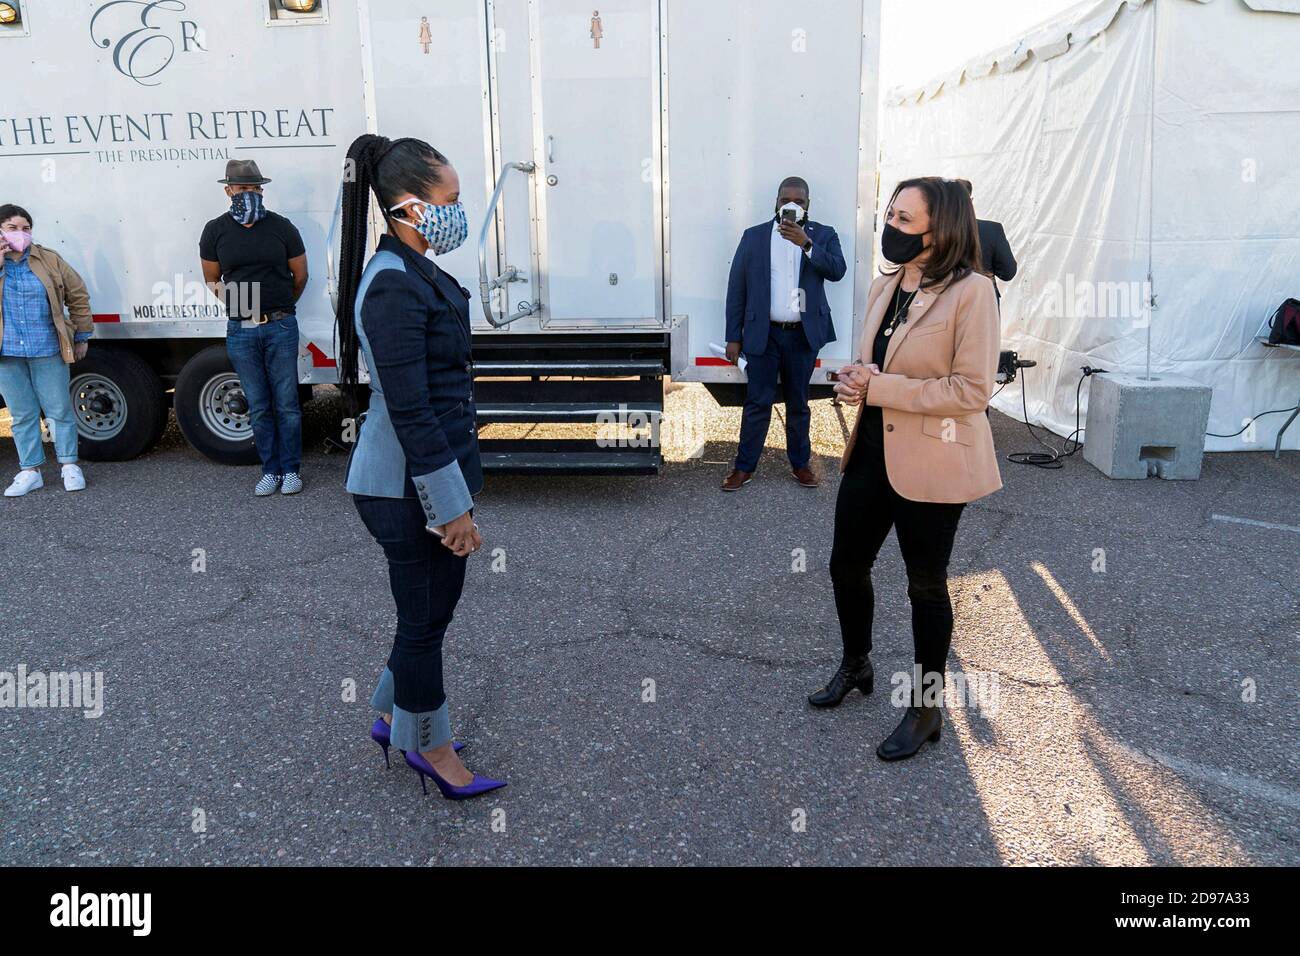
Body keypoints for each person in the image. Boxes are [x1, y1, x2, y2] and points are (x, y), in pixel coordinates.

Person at [335, 133, 504, 801]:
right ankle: (430, 748)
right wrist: (450, 509)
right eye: (450, 201)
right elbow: (411, 411)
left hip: (425, 480)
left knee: (425, 617)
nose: (457, 212)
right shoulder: (390, 287)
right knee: (426, 621)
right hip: (404, 489)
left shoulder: (416, 269)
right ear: (407, 206)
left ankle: (390, 717)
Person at [813, 177, 1002, 761]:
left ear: (938, 229)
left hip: (935, 460)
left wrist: (882, 385)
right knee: (846, 566)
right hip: (871, 449)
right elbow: (876, 364)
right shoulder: (884, 284)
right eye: (890, 215)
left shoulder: (973, 293)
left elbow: (972, 390)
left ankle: (925, 711)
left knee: (925, 586)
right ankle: (857, 662)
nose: (890, 228)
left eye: (903, 219)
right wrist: (855, 379)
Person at [722, 176, 846, 491]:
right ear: (775, 202)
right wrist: (733, 336)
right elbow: (738, 288)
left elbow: (837, 270)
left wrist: (805, 243)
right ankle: (743, 467)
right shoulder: (754, 237)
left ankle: (801, 464)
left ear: (808, 204)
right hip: (764, 334)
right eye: (784, 200)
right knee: (757, 402)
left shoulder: (823, 235)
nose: (791, 205)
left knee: (798, 402)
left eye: (799, 201)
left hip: (802, 336)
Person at [200, 160, 309, 497]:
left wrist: (279, 306)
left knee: (287, 403)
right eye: (240, 188)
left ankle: (291, 470)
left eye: (252, 188)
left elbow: (300, 276)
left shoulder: (282, 227)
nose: (247, 194)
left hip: (280, 326)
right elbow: (212, 279)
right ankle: (270, 470)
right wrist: (243, 308)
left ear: (262, 190)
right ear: (228, 190)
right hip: (242, 330)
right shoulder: (215, 230)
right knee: (259, 404)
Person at [0, 204, 93, 497]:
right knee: (22, 414)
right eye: (12, 228)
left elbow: (77, 293)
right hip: (7, 352)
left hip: (47, 347)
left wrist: (81, 335)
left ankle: (69, 465)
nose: (21, 234)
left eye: (26, 228)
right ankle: (30, 471)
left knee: (59, 410)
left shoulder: (48, 259)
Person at [957, 178, 1017, 302]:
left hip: (944, 304)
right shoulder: (992, 229)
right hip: (984, 301)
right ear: (971, 201)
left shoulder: (932, 232)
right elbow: (1008, 272)